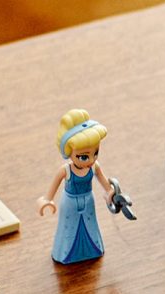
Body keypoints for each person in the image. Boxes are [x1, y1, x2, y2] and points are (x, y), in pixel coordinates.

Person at [38, 112, 124, 268]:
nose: (91, 160)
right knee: (69, 227)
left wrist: (111, 193)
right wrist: (47, 200)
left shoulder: (94, 167)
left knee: (90, 225)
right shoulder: (66, 170)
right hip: (70, 203)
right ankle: (66, 254)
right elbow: (52, 189)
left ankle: (93, 250)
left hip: (88, 200)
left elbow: (105, 184)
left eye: (95, 153)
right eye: (84, 157)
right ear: (69, 152)